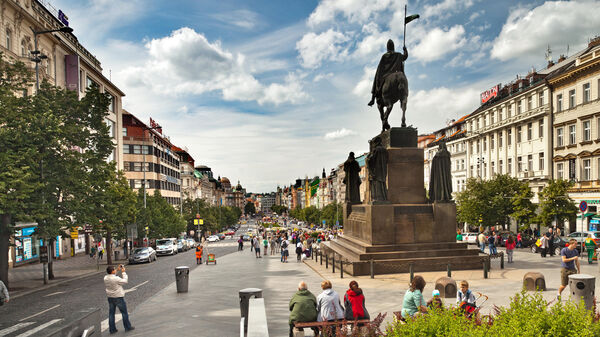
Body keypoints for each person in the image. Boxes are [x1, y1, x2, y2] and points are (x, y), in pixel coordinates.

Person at [104, 265, 134, 334]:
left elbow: (112, 276)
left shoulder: (105, 278)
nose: (115, 270)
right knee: (124, 313)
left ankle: (112, 329)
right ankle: (127, 327)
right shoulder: (116, 279)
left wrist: (117, 269)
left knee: (111, 314)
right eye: (114, 269)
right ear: (112, 271)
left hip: (110, 297)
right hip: (118, 297)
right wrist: (123, 272)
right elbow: (125, 281)